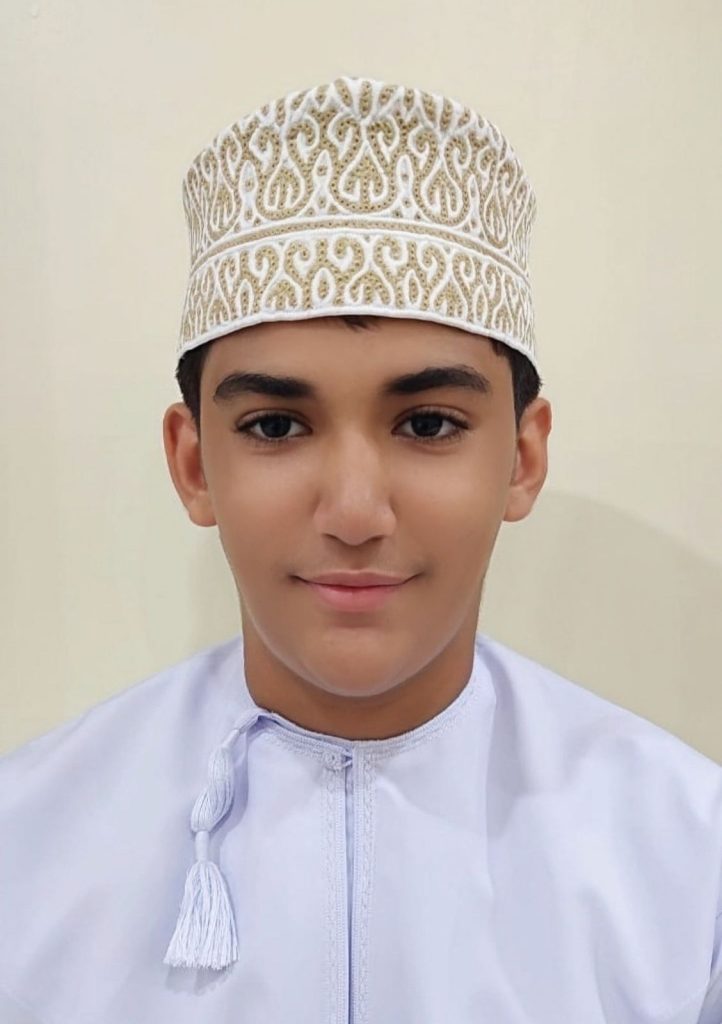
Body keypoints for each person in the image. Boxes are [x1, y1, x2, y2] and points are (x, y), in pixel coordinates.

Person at [0, 73, 720, 1024]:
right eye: (274, 427)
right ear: (193, 463)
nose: (353, 511)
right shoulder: (27, 844)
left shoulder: (689, 856)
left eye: (427, 425)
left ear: (523, 457)